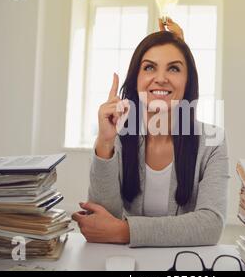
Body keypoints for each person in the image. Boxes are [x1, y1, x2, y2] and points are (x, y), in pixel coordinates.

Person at [72, 18, 230, 247]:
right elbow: (102, 220)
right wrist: (105, 143)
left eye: (174, 68)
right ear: (136, 79)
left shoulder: (213, 142)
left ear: (188, 81)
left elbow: (210, 225)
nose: (161, 78)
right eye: (149, 67)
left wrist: (125, 231)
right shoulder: (117, 135)